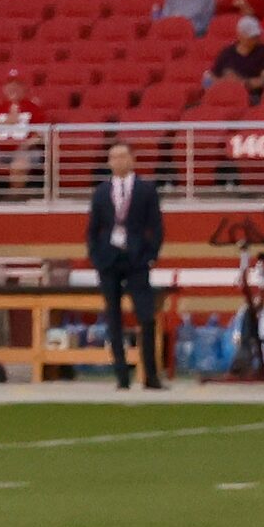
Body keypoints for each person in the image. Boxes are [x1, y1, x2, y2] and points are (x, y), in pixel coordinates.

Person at [86, 140, 165, 390]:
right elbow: (93, 229)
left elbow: (157, 226)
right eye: (113, 157)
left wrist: (150, 255)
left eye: (122, 157)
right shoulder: (100, 192)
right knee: (113, 318)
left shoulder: (146, 189)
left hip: (137, 259)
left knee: (146, 316)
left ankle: (150, 376)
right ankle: (121, 376)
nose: (118, 162)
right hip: (109, 260)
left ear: (132, 160)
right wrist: (97, 258)